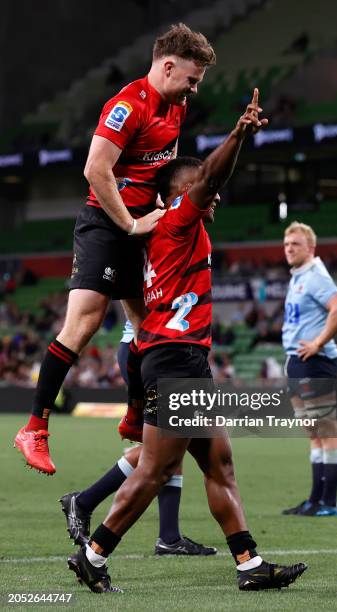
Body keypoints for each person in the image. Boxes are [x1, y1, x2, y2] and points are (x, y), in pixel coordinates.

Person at [66, 90, 307, 593]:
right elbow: (213, 176)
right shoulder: (177, 218)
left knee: (219, 463)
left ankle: (248, 564)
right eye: (201, 188)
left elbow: (211, 181)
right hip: (175, 360)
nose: (211, 194)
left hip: (182, 360)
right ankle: (93, 555)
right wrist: (239, 133)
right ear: (180, 192)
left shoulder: (170, 229)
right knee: (155, 470)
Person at [14, 23, 216, 475]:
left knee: (149, 326)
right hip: (107, 223)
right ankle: (34, 426)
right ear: (168, 66)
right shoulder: (128, 106)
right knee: (84, 322)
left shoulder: (174, 108)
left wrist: (163, 207)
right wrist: (129, 223)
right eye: (191, 79)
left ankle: (134, 413)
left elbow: (163, 169)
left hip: (141, 225)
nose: (194, 90)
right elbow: (95, 169)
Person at [59, 319, 216, 557]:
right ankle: (84, 503)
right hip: (152, 351)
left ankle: (169, 536)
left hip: (160, 351)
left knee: (173, 447)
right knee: (167, 446)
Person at [281, 222, 337, 517]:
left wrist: (318, 343)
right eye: (286, 244)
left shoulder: (315, 276)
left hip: (315, 361)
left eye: (295, 244)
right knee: (313, 432)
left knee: (326, 429)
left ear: (311, 248)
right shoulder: (299, 276)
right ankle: (314, 500)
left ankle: (329, 502)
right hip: (297, 361)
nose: (289, 249)